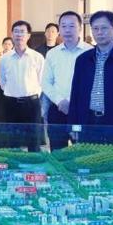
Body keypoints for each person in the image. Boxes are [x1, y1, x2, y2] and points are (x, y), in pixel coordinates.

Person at [68, 10, 113, 145]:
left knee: (112, 158)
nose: (99, 32)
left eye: (104, 28)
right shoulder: (83, 60)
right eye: (95, 29)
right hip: (87, 123)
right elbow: (75, 96)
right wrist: (74, 126)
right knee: (87, 157)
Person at [41, 11, 91, 150]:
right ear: (60, 29)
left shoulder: (90, 52)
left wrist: (72, 102)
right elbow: (45, 82)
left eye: (72, 26)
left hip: (82, 111)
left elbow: (92, 84)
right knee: (57, 152)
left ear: (80, 28)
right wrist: (60, 101)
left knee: (82, 152)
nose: (67, 30)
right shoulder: (52, 53)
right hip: (58, 110)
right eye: (64, 26)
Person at [0, 20, 44, 151]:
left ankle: (34, 163)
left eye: (22, 32)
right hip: (11, 103)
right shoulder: (4, 58)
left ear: (28, 35)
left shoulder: (37, 57)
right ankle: (15, 163)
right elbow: (3, 82)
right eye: (16, 31)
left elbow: (42, 81)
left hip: (32, 104)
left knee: (34, 141)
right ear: (12, 34)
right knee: (12, 141)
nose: (19, 35)